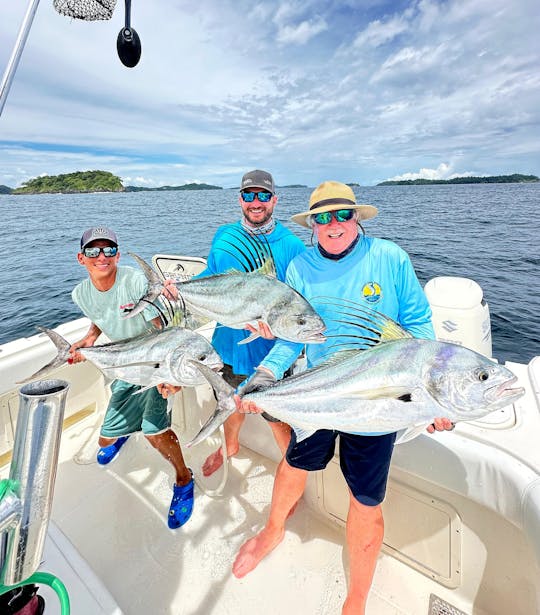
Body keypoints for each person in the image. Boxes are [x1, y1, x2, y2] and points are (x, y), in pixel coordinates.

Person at [231, 181, 454, 615]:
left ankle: (357, 597)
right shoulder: (299, 267)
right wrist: (264, 374)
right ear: (311, 224)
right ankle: (273, 529)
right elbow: (292, 338)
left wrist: (434, 396)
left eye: (342, 215)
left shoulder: (389, 258)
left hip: (377, 399)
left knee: (366, 499)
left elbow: (418, 326)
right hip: (318, 389)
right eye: (322, 218)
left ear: (357, 218)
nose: (333, 225)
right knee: (295, 464)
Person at [69, 226, 194, 529]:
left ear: (118, 255)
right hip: (125, 365)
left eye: (109, 250)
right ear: (80, 258)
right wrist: (89, 338)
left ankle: (184, 478)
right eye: (93, 251)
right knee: (105, 437)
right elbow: (101, 315)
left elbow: (164, 328)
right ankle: (126, 427)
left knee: (155, 433)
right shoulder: (80, 294)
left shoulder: (135, 281)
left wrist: (169, 374)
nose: (102, 256)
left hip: (152, 365)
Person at [199, 169, 306, 477]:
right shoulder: (224, 235)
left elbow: (297, 304)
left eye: (263, 196)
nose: (255, 202)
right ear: (240, 199)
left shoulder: (292, 246)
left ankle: (292, 472)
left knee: (277, 421)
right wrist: (175, 290)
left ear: (274, 200)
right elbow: (209, 277)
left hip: (269, 355)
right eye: (249, 195)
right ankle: (229, 446)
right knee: (229, 403)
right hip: (227, 345)